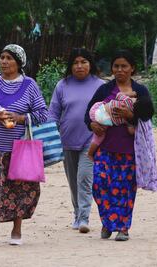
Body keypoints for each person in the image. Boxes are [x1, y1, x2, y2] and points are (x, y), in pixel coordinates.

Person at [0, 44, 48, 246]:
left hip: (19, 150)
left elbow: (42, 113)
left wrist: (20, 118)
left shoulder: (29, 85)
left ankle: (17, 230)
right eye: (2, 57)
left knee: (20, 189)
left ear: (19, 63)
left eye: (9, 58)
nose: (4, 61)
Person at [84, 49, 155, 241]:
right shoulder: (105, 90)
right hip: (105, 149)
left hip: (130, 151)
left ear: (132, 68)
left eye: (124, 66)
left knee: (125, 190)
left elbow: (148, 116)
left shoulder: (140, 91)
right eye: (116, 66)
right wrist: (92, 124)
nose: (120, 70)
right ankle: (107, 223)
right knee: (100, 186)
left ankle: (123, 227)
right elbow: (88, 113)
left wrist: (131, 116)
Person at [48, 48, 105, 233]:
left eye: (84, 62)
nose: (79, 66)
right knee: (73, 181)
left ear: (91, 64)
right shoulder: (62, 86)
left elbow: (109, 111)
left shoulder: (101, 85)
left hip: (92, 140)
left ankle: (84, 218)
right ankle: (77, 213)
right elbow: (53, 114)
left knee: (84, 178)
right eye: (75, 63)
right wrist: (49, 135)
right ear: (70, 66)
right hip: (67, 140)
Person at [87, 91, 136, 160]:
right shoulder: (128, 118)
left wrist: (130, 94)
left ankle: (89, 153)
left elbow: (119, 94)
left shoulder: (127, 100)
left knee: (100, 134)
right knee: (99, 136)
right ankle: (90, 153)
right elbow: (131, 131)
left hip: (96, 111)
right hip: (105, 120)